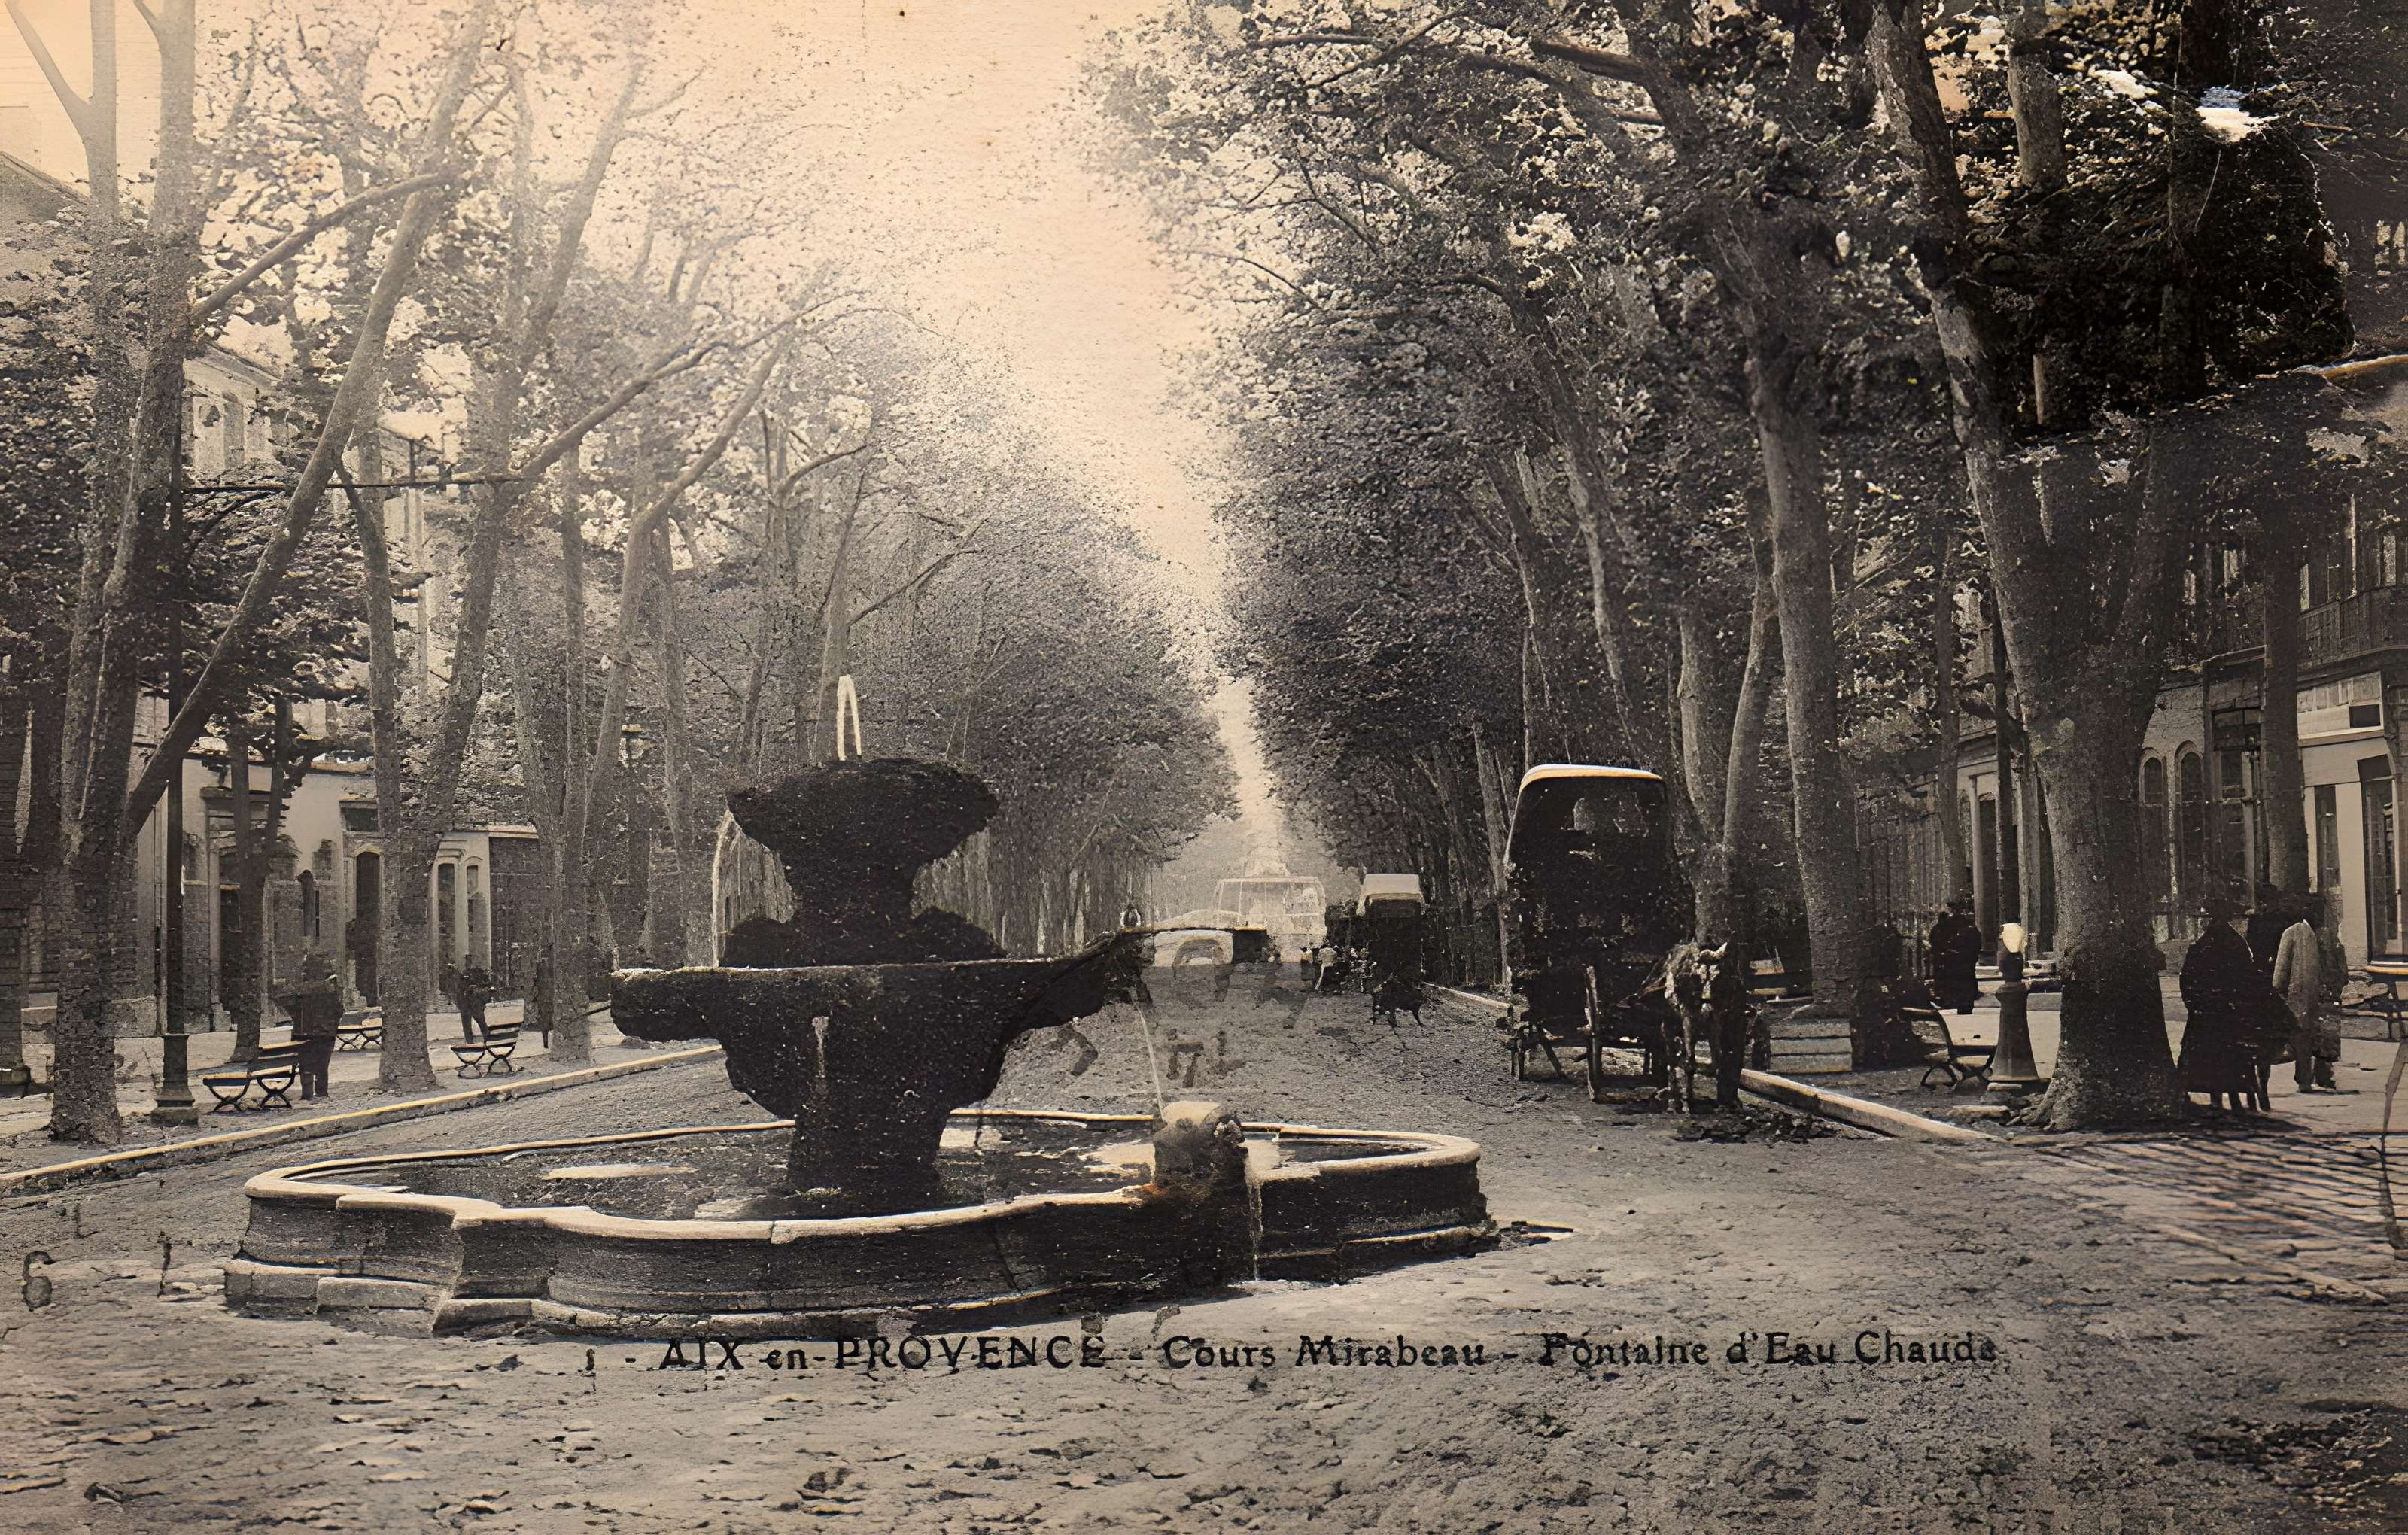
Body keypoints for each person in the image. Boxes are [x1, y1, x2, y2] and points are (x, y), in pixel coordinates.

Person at [2179, 889, 2271, 1111]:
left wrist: (2194, 1004)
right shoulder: (2236, 943)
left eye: (2205, 917)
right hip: (2228, 1011)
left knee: (2211, 1055)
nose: (2202, 922)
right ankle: (2241, 1095)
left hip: (2209, 1011)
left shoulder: (2205, 945)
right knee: (2231, 1057)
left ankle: (2215, 1095)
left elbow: (2188, 978)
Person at [2273, 894, 2340, 1093]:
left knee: (2306, 1037)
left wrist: (2277, 987)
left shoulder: (2293, 934)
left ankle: (2310, 1076)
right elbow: (2332, 963)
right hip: (2314, 994)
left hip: (2303, 994)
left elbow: (2280, 971)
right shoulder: (2321, 933)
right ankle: (2317, 1076)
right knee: (2317, 1036)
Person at [283, 949, 342, 1102]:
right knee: (323, 1064)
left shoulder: (300, 989)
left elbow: (289, 1004)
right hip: (325, 1031)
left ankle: (307, 1094)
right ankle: (322, 1093)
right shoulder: (331, 987)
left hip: (304, 1031)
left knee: (306, 1064)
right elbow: (339, 1009)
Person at [1928, 894, 1983, 1014]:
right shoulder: (1963, 925)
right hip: (1964, 957)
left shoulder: (1951, 924)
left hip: (1958, 957)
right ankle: (1964, 1003)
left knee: (1960, 980)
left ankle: (1958, 1002)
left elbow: (1938, 939)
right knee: (1966, 979)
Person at [2245, 883, 2289, 986]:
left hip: (2273, 963)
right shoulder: (2255, 919)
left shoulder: (2281, 919)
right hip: (2261, 962)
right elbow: (2251, 942)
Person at [457, 953, 494, 1043]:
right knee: (466, 1025)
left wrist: (477, 989)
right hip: (465, 1002)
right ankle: (469, 1041)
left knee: (481, 1021)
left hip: (476, 1002)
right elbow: (459, 987)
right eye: (467, 961)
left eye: (470, 961)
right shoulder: (462, 973)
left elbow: (487, 985)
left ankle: (487, 1038)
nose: (468, 963)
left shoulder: (480, 973)